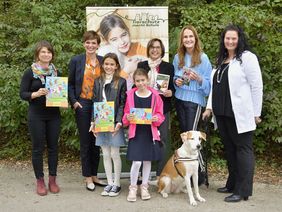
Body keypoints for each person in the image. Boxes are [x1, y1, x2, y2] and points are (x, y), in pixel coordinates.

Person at [202, 24, 263, 202]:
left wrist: (256, 112)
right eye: (227, 38)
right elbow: (215, 86)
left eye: (233, 38)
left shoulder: (247, 58)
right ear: (223, 40)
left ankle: (242, 190)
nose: (230, 41)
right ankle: (232, 183)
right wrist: (209, 107)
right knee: (230, 150)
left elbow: (257, 86)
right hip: (222, 113)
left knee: (243, 149)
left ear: (239, 39)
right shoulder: (222, 59)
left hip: (240, 114)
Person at [20, 40, 61, 196]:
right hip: (36, 115)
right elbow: (22, 93)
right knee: (37, 149)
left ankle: (52, 180)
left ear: (52, 55)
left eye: (49, 52)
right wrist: (35, 94)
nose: (46, 54)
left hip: (53, 115)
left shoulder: (55, 71)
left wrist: (62, 99)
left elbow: (60, 91)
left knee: (53, 148)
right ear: (37, 54)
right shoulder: (29, 72)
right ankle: (40, 181)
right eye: (43, 52)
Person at [68, 30, 106, 191]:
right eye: (88, 42)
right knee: (85, 142)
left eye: (94, 43)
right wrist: (75, 102)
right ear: (84, 44)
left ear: (98, 45)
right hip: (82, 104)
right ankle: (87, 177)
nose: (90, 45)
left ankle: (95, 175)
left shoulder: (103, 61)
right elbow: (69, 84)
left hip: (99, 105)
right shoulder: (76, 60)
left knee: (96, 141)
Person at [122, 68, 165, 202]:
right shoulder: (130, 95)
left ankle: (144, 186)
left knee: (147, 161)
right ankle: (133, 187)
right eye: (137, 81)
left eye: (143, 80)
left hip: (149, 133)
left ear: (148, 80)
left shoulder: (155, 96)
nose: (140, 83)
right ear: (134, 82)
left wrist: (156, 118)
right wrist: (127, 117)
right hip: (136, 132)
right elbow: (126, 114)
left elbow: (160, 114)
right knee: (136, 162)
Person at [137, 38, 175, 181]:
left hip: (162, 108)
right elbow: (136, 85)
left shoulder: (168, 67)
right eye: (152, 47)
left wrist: (170, 92)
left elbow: (172, 88)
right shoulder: (141, 65)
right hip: (144, 108)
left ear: (162, 49)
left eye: (158, 47)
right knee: (143, 139)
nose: (155, 50)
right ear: (148, 49)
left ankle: (160, 174)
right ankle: (141, 175)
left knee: (162, 140)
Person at [91, 53, 127, 197]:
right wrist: (93, 122)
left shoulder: (121, 81)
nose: (109, 67)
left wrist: (119, 122)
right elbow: (94, 102)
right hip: (101, 121)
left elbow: (123, 104)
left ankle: (117, 184)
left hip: (114, 123)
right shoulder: (97, 81)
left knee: (114, 153)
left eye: (112, 64)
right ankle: (110, 183)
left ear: (116, 66)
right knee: (105, 153)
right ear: (103, 65)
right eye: (106, 64)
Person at [173, 25, 212, 132]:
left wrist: (199, 79)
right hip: (180, 99)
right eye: (185, 37)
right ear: (182, 40)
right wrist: (176, 81)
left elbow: (209, 86)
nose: (188, 39)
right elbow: (174, 77)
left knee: (191, 137)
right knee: (184, 135)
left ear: (195, 39)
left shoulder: (203, 58)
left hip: (195, 102)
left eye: (191, 36)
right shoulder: (178, 57)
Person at [98, 14, 147, 90]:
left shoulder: (140, 50)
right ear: (106, 41)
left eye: (124, 35)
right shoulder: (104, 57)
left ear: (128, 30)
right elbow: (107, 90)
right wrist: (126, 71)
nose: (122, 42)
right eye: (114, 39)